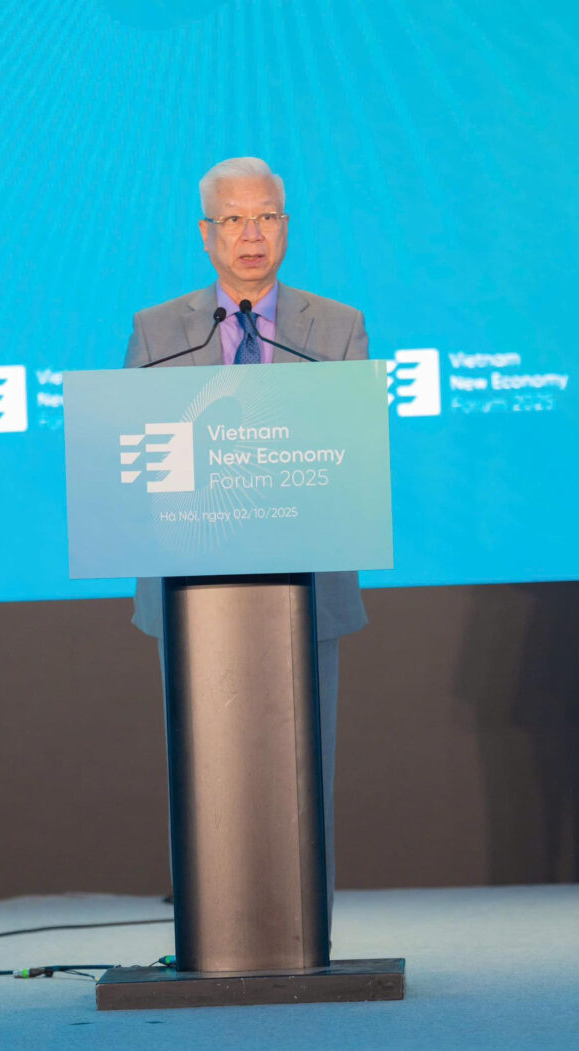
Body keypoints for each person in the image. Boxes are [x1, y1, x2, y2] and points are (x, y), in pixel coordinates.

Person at [124, 156, 368, 929]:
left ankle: (308, 934)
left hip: (306, 585)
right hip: (188, 587)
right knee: (206, 768)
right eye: (234, 219)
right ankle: (210, 931)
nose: (251, 234)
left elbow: (352, 456)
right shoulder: (158, 330)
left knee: (304, 766)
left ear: (285, 228)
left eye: (265, 216)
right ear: (207, 234)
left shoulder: (336, 328)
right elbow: (134, 458)